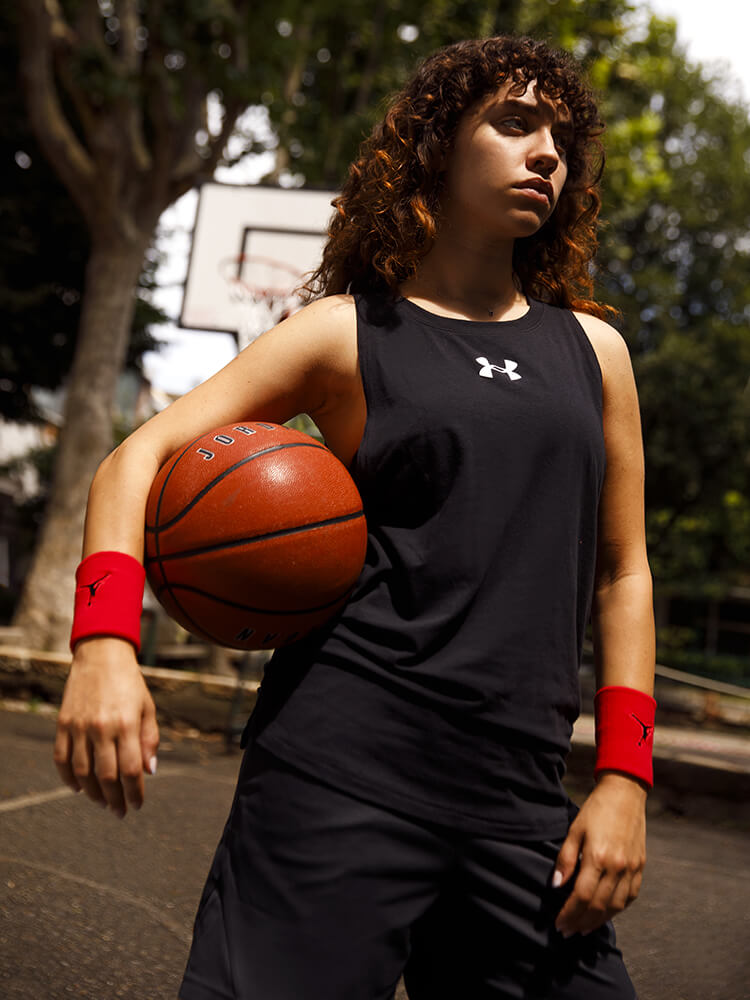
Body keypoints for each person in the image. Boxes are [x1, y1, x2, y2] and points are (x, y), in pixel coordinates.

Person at [55, 35, 656, 1000]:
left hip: (520, 800)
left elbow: (624, 570)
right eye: (513, 122)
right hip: (339, 768)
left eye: (559, 134)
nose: (547, 150)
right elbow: (140, 457)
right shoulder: (347, 332)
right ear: (434, 149)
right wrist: (105, 646)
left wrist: (625, 780)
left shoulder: (595, 353)